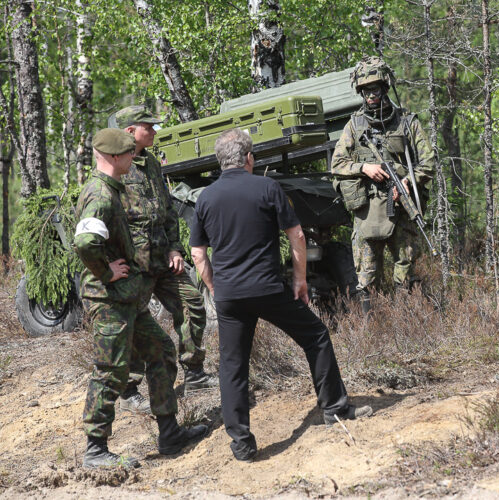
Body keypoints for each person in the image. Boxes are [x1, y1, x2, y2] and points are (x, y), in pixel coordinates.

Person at [190, 128, 372, 462]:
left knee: (232, 366)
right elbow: (297, 234)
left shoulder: (205, 198)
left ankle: (242, 445)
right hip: (268, 289)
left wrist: (216, 289)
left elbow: (198, 254)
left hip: (230, 296)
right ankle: (334, 408)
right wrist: (300, 280)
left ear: (220, 162)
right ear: (249, 158)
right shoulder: (267, 187)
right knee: (315, 335)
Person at [75, 128, 207, 468]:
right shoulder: (101, 195)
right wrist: (106, 271)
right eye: (129, 155)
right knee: (111, 371)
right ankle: (95, 449)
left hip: (128, 296)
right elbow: (85, 242)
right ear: (115, 158)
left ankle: (169, 432)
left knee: (161, 351)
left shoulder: (111, 189)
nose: (134, 159)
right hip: (109, 299)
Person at [108, 105, 217, 415]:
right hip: (133, 264)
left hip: (162, 258)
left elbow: (167, 210)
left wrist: (174, 249)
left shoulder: (151, 162)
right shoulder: (114, 164)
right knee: (131, 324)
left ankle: (194, 372)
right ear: (130, 132)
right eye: (149, 127)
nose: (154, 131)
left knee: (192, 303)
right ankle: (129, 390)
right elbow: (106, 217)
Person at [331, 55, 435, 312]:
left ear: (385, 88)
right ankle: (371, 331)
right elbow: (337, 164)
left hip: (401, 208)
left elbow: (429, 162)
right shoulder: (354, 127)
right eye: (365, 91)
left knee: (406, 271)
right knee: (366, 277)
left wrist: (408, 182)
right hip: (367, 210)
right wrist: (364, 168)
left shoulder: (407, 122)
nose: (370, 97)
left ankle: (407, 326)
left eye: (375, 90)